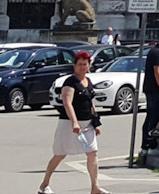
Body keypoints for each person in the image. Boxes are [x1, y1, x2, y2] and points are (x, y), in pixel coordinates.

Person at [41, 51, 109, 194]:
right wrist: (74, 123)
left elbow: (91, 102)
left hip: (88, 124)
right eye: (79, 64)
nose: (82, 67)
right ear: (74, 66)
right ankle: (44, 185)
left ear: (89, 65)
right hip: (69, 124)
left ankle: (95, 187)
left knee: (93, 153)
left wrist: (96, 123)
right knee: (60, 154)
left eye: (85, 64)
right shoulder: (70, 82)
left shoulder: (88, 81)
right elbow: (67, 103)